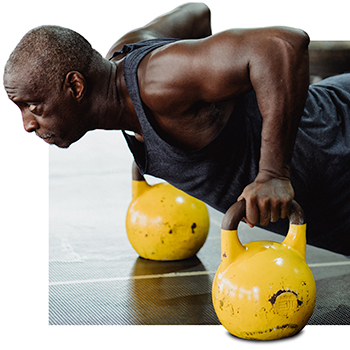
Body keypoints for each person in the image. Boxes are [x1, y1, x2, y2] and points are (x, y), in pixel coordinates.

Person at [3, 3, 350, 255]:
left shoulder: (158, 80)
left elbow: (284, 44)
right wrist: (209, 101)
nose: (28, 124)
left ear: (76, 87)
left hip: (339, 143)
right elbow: (197, 13)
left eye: (32, 106)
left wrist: (273, 172)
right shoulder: (124, 59)